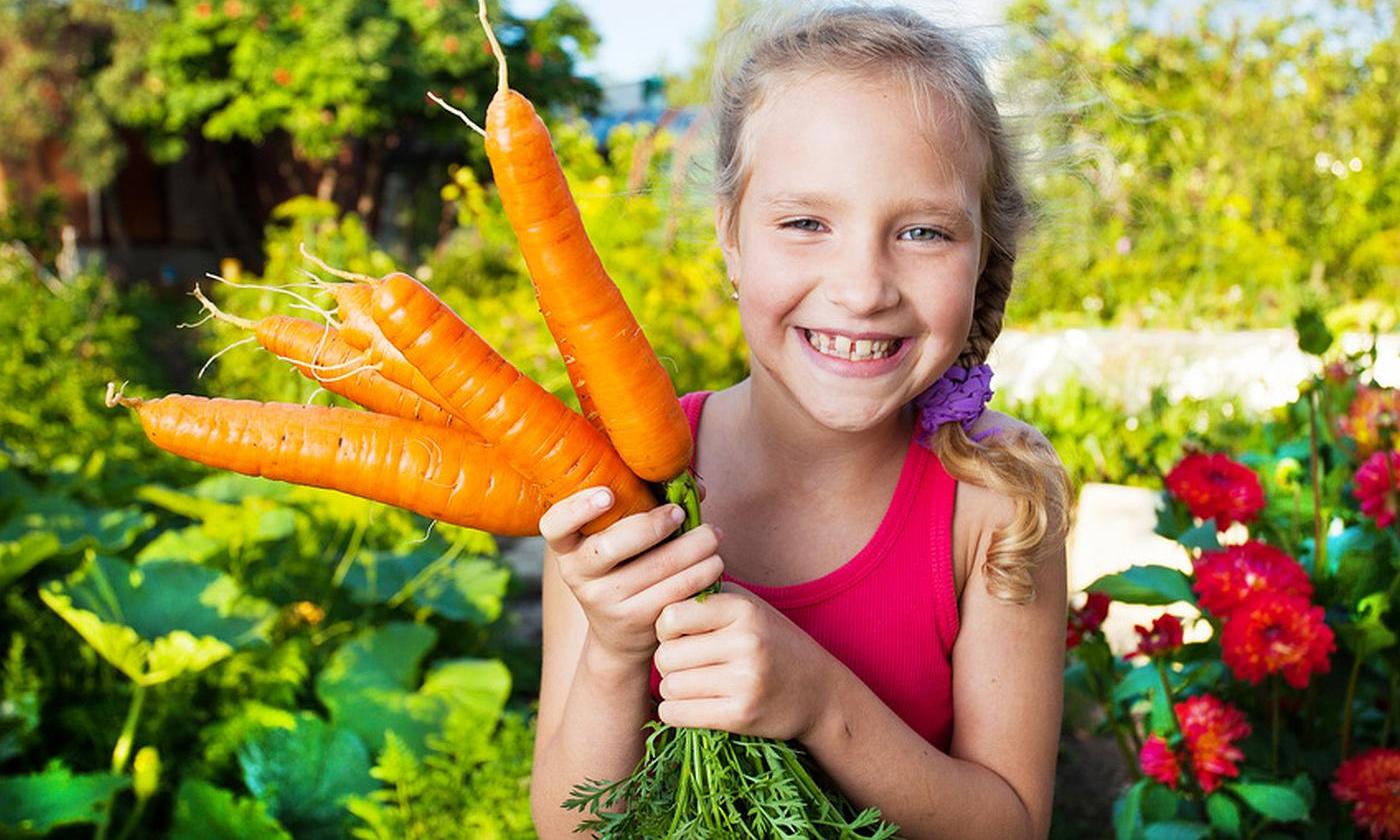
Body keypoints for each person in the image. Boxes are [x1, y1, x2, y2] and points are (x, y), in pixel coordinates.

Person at [529, 4, 1075, 838]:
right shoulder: (620, 485)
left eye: (924, 232)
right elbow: (571, 829)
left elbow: (1012, 825)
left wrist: (820, 705)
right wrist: (613, 650)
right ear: (731, 240)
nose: (863, 288)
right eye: (806, 224)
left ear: (985, 257)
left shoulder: (996, 497)